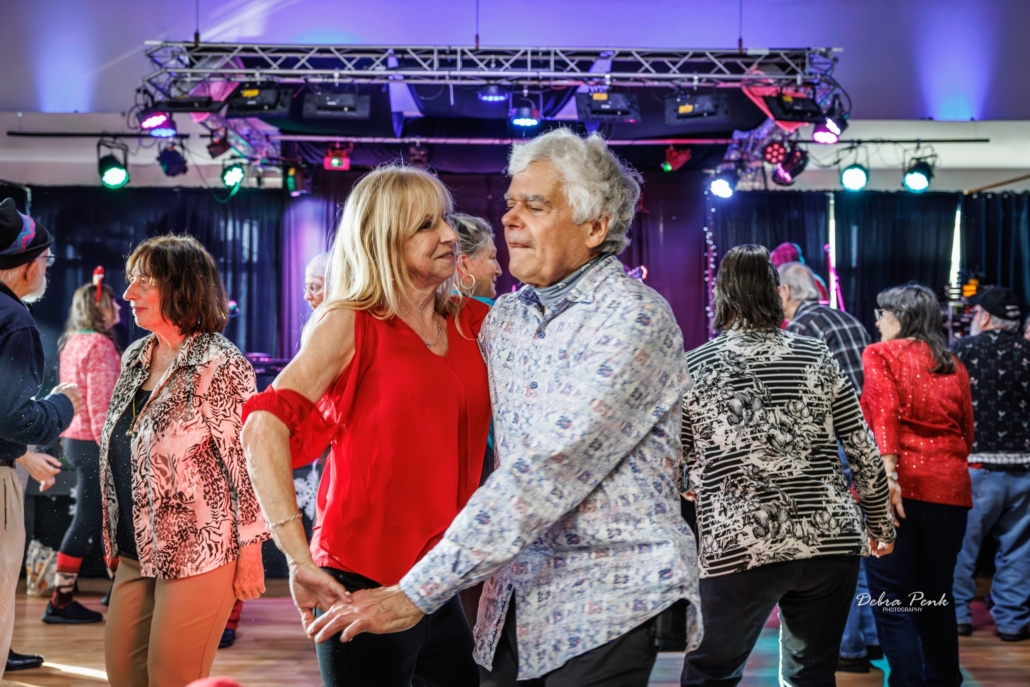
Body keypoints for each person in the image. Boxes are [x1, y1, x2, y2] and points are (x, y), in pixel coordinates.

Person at [304, 129, 702, 687]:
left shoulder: (633, 318)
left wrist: (416, 591)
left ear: (595, 227)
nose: (510, 218)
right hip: (512, 600)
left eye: (534, 206)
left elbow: (548, 468)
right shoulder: (506, 320)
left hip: (605, 600)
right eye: (511, 202)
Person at [242, 165, 492, 687]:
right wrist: (296, 558)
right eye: (427, 225)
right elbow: (262, 425)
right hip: (358, 577)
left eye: (446, 219)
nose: (450, 234)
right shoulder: (351, 321)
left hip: (435, 580)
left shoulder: (470, 321)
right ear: (384, 239)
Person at [680, 245, 894, 687]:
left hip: (740, 543)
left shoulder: (695, 366)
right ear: (776, 294)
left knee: (710, 674)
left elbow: (673, 458)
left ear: (721, 296)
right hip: (829, 540)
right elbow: (862, 448)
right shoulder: (817, 355)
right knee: (810, 675)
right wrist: (880, 525)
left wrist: (692, 480)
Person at [102, 235, 269, 687]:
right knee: (122, 674)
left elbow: (248, 465)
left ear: (181, 287)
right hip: (136, 548)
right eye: (131, 280)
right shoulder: (136, 355)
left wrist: (251, 552)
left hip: (199, 550)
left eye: (144, 281)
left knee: (172, 677)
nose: (128, 293)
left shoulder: (221, 363)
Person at [861, 284, 975, 687]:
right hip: (951, 489)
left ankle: (908, 682)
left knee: (892, 599)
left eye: (882, 313)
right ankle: (944, 680)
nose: (877, 322)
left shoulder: (880, 354)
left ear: (901, 316)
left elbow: (885, 412)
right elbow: (967, 431)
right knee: (936, 594)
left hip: (899, 491)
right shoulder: (953, 363)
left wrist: (888, 476)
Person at [220, 250, 332, 651]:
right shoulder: (323, 325)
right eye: (305, 287)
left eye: (315, 287)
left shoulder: (334, 326)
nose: (307, 296)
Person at [778, 260, 882, 673]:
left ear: (785, 293)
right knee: (862, 543)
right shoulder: (848, 319)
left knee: (835, 548)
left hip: (832, 442)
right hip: (865, 436)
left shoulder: (800, 329)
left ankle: (849, 648)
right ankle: (871, 638)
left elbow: (801, 402)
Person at [0, 198, 83, 676]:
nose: (46, 269)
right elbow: (15, 418)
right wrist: (62, 404)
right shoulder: (14, 320)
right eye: (46, 260)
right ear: (28, 265)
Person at [951, 287, 1030, 641]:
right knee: (1019, 550)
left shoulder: (963, 351)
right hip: (1025, 469)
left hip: (977, 468)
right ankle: (1012, 621)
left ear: (984, 317)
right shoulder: (1028, 352)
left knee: (961, 548)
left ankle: (957, 615)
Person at [42, 279, 122, 625]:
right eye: (113, 302)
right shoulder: (100, 345)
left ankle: (117, 591)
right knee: (93, 518)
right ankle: (59, 601)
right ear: (99, 308)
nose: (119, 307)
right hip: (94, 442)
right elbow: (101, 405)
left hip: (76, 440)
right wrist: (113, 452)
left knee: (104, 517)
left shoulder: (73, 342)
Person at [452, 212, 503, 302]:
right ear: (463, 265)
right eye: (493, 258)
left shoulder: (428, 306)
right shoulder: (497, 310)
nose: (499, 271)